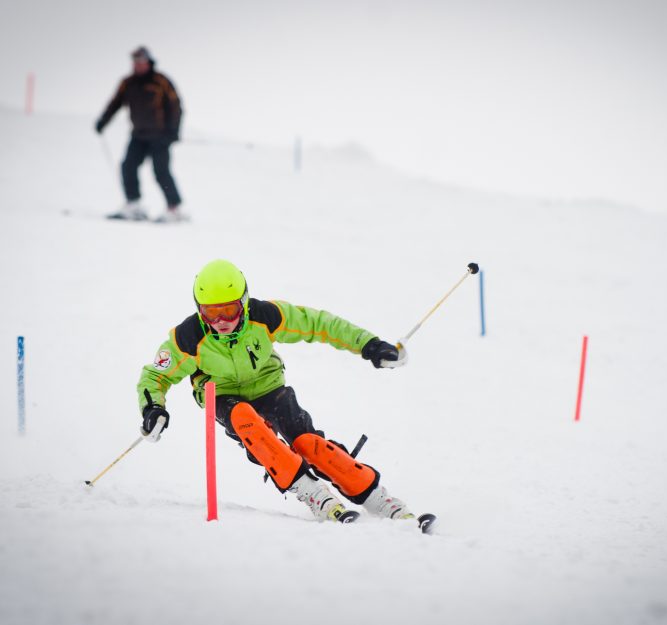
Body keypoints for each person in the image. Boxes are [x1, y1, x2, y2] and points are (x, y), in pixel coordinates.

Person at [136, 259, 433, 530]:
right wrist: (153, 409)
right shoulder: (187, 337)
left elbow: (319, 324)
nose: (220, 321)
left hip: (269, 387)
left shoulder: (265, 315)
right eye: (210, 312)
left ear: (243, 301)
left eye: (228, 310)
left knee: (309, 443)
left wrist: (369, 345)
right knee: (245, 420)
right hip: (222, 395)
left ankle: (379, 499)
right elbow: (155, 375)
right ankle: (311, 493)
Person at [96, 46, 185, 223]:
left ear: (149, 62)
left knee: (161, 171)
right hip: (138, 135)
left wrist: (173, 132)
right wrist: (103, 121)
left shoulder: (161, 81)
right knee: (128, 166)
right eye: (135, 62)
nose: (138, 65)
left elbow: (176, 107)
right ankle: (133, 204)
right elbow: (115, 103)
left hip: (160, 136)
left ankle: (174, 208)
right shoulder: (128, 83)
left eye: (141, 62)